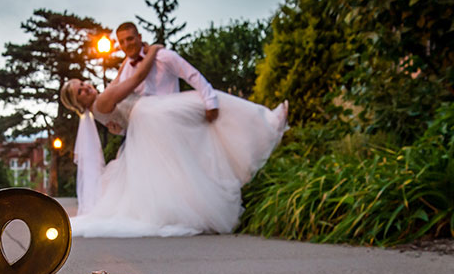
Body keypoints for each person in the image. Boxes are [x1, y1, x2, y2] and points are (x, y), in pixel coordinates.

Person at [60, 47, 288, 238]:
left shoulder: (100, 105)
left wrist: (126, 61)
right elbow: (135, 78)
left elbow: (120, 84)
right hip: (152, 114)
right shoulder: (102, 101)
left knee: (189, 151)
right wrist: (155, 49)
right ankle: (267, 121)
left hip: (149, 121)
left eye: (83, 84)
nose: (86, 87)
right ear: (78, 103)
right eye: (80, 92)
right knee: (206, 101)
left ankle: (254, 136)